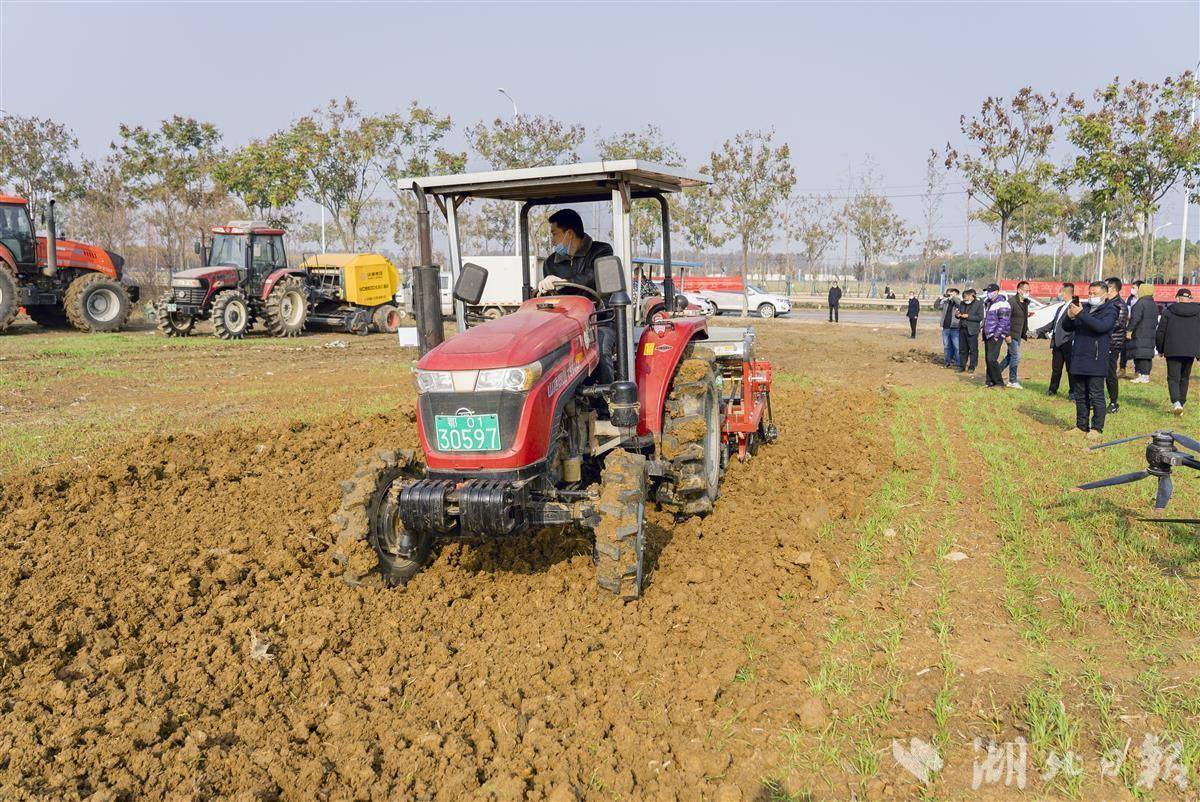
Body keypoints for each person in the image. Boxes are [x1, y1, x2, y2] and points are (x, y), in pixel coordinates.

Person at [538, 208, 616, 382]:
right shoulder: (551, 263)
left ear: (569, 233)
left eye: (555, 234)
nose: (552, 240)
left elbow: (593, 276)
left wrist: (562, 281)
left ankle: (607, 403)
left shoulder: (601, 252)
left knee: (600, 348)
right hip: (566, 325)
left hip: (599, 320)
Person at [1063, 281, 1120, 438]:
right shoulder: (1085, 307)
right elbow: (1067, 327)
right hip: (1079, 356)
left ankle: (1096, 428)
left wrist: (1081, 314)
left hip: (1096, 358)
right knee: (1080, 394)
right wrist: (1069, 317)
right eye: (1090, 293)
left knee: (1096, 394)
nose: (1091, 296)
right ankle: (1081, 425)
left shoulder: (1110, 310)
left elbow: (1101, 327)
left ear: (1105, 294)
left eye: (1095, 294)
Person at [1155, 287, 1200, 416]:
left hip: (1172, 349)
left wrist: (1160, 349)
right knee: (1184, 378)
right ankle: (1181, 402)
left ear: (1177, 298)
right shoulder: (1198, 312)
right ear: (1190, 299)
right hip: (1190, 351)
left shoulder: (1168, 311)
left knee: (1173, 378)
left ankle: (1176, 403)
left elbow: (1161, 332)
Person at [1036, 283, 1076, 398]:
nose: (1060, 294)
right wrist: (1039, 331)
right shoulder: (1060, 307)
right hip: (1057, 342)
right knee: (1056, 369)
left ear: (1066, 293)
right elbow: (1054, 323)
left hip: (1068, 342)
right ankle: (1052, 389)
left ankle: (1073, 392)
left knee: (1071, 369)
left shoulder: (1074, 307)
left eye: (1061, 292)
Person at [1102, 277, 1129, 415]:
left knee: (1110, 374)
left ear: (1112, 289)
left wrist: (1101, 324)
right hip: (1102, 342)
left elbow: (1118, 324)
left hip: (1112, 344)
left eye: (1105, 287)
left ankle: (1113, 402)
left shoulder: (1120, 305)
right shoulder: (1107, 303)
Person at [999, 281, 1031, 389]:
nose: (1028, 292)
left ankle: (995, 373)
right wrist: (1007, 335)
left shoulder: (1025, 302)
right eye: (1026, 290)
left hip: (1018, 334)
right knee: (1016, 356)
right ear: (1019, 290)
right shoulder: (1011, 302)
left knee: (1010, 356)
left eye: (1029, 290)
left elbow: (1024, 319)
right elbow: (1005, 319)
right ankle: (1012, 380)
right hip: (1011, 334)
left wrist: (1026, 332)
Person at [1126, 282, 1158, 384]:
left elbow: (1135, 319)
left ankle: (1142, 375)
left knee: (1141, 354)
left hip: (1140, 333)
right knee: (1147, 355)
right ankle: (1146, 374)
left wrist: (1129, 330)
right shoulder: (1153, 304)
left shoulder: (1140, 303)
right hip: (1150, 333)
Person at [981, 283, 1012, 388]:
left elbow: (1004, 321)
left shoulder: (1003, 304)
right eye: (987, 292)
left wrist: (996, 335)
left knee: (992, 359)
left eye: (990, 291)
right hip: (987, 334)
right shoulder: (988, 303)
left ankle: (999, 382)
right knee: (988, 359)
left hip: (995, 335)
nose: (988, 294)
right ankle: (989, 381)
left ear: (997, 292)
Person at [955, 288, 983, 374]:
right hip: (962, 329)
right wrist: (957, 315)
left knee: (973, 349)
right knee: (962, 349)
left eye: (966, 297)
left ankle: (972, 366)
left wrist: (968, 316)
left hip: (972, 330)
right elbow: (959, 313)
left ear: (972, 296)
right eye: (964, 298)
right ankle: (962, 366)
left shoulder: (978, 304)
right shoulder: (962, 303)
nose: (965, 299)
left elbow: (980, 317)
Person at [935, 287, 961, 367]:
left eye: (952, 293)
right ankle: (947, 362)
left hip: (955, 327)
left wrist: (953, 297)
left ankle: (958, 363)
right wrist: (939, 299)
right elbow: (937, 306)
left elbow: (960, 304)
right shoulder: (946, 302)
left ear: (956, 294)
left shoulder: (959, 301)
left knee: (956, 346)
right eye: (949, 293)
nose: (949, 294)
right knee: (946, 346)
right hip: (946, 327)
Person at [1119, 281, 1140, 376]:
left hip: (1137, 328)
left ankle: (1137, 371)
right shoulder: (1129, 299)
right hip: (1127, 326)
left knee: (1136, 350)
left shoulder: (1141, 300)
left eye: (1134, 287)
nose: (1132, 289)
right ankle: (1122, 368)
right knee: (1124, 349)